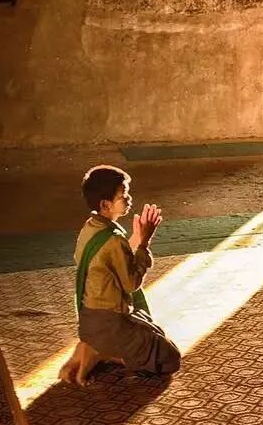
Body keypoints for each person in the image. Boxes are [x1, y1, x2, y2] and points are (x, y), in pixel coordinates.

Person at [59, 164, 181, 384]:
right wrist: (144, 242)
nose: (129, 199)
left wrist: (135, 238)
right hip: (110, 322)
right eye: (123, 195)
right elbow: (131, 283)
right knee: (169, 357)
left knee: (153, 329)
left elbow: (111, 260)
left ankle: (92, 345)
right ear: (105, 204)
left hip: (90, 319)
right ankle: (101, 352)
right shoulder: (114, 239)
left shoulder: (92, 228)